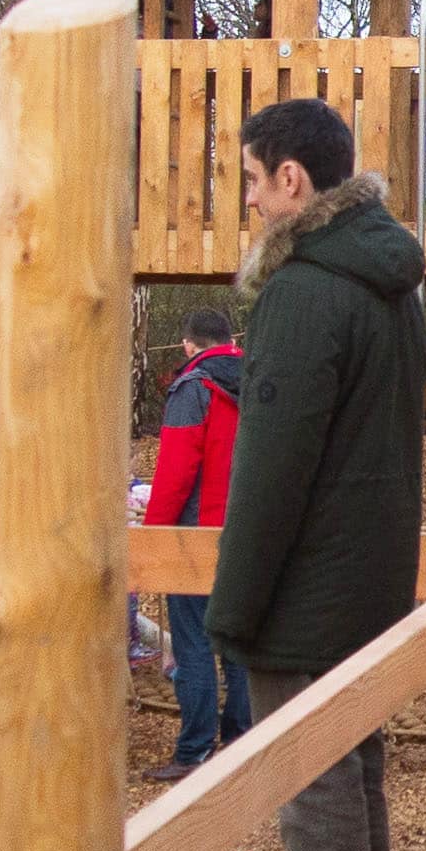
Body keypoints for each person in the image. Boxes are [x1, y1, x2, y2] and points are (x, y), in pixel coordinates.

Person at [200, 96, 426, 851]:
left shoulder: (301, 292)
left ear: (291, 179)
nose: (252, 202)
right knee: (352, 761)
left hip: (309, 576)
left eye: (254, 181)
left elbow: (270, 467)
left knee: (310, 769)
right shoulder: (389, 283)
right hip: (372, 566)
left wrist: (233, 606)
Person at [140, 307, 253, 774]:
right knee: (241, 643)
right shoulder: (261, 382)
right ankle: (244, 743)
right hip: (248, 530)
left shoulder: (193, 388)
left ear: (189, 346)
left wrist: (152, 538)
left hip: (195, 535)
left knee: (193, 645)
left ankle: (195, 749)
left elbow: (176, 470)